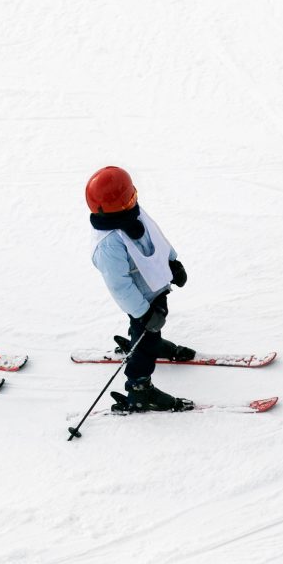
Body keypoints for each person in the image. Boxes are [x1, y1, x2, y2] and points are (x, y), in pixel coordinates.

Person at [85, 166, 195, 412]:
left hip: (154, 286)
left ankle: (149, 339)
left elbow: (156, 237)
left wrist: (172, 261)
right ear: (116, 204)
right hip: (140, 298)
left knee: (156, 322)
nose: (135, 199)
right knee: (147, 333)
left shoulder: (132, 214)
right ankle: (139, 388)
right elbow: (119, 286)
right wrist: (143, 314)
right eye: (129, 196)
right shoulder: (108, 244)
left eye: (133, 193)